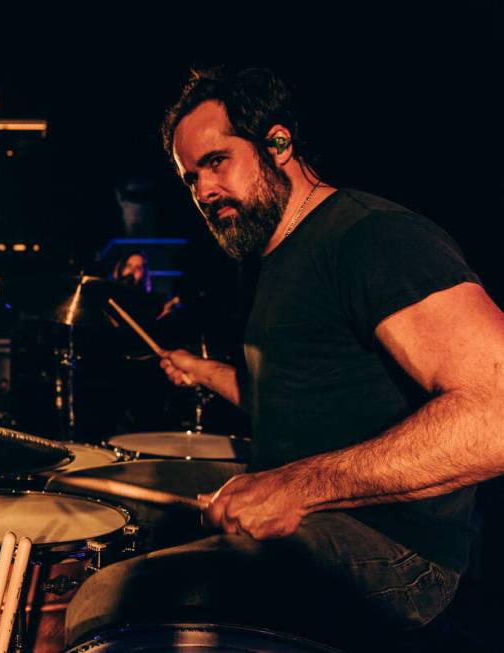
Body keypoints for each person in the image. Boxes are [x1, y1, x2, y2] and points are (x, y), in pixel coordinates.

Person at [65, 66, 504, 649]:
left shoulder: (371, 238)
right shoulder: (272, 260)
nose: (202, 191)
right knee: (114, 520)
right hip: (320, 513)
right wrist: (203, 373)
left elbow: (496, 413)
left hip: (399, 549)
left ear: (278, 144)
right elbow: (290, 397)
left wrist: (297, 486)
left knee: (108, 599)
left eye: (216, 161)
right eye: (190, 176)